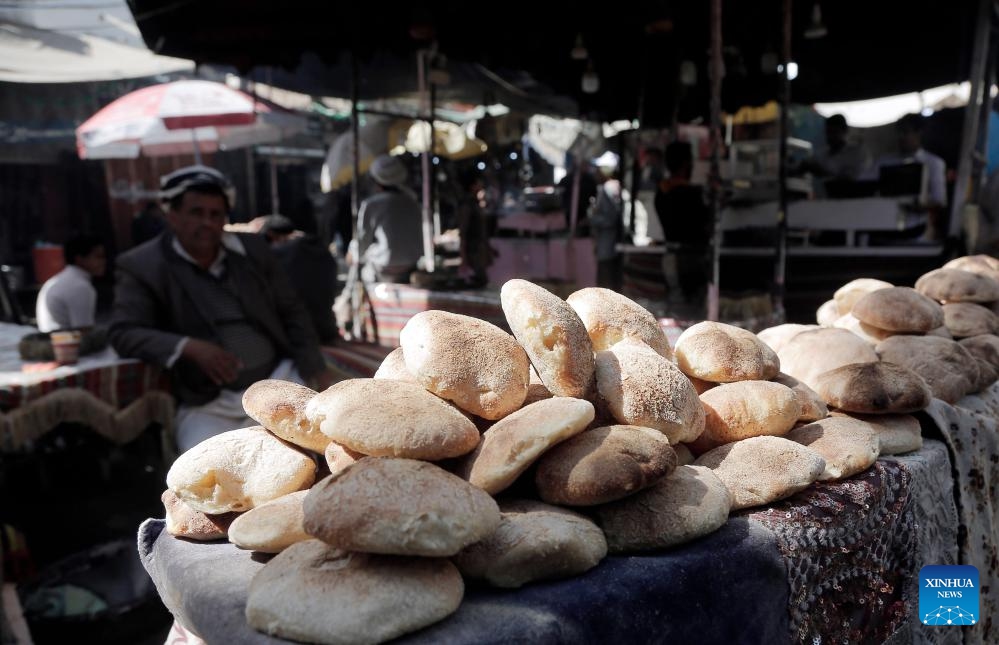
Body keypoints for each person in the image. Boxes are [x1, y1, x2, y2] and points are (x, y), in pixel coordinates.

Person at [108, 165, 334, 452]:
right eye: (196, 213)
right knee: (208, 472)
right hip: (208, 403)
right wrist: (188, 347)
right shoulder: (143, 265)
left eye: (216, 215)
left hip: (278, 380)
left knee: (318, 454)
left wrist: (317, 370)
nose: (207, 223)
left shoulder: (252, 250)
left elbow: (293, 311)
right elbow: (123, 332)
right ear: (172, 215)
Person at [259, 214, 340, 344]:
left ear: (271, 235)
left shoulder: (274, 255)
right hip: (326, 331)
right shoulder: (320, 248)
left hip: (295, 337)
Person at [354, 155, 424, 284]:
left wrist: (354, 255)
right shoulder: (412, 201)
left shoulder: (371, 204)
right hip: (411, 264)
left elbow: (362, 240)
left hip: (382, 267)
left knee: (356, 269)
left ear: (376, 181)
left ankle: (351, 300)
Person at [655, 141, 711, 305]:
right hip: (690, 260)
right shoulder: (691, 194)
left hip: (670, 256)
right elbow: (704, 222)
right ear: (686, 164)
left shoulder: (661, 192)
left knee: (674, 305)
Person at [871, 113, 946, 207]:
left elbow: (939, 200)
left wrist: (915, 205)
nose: (901, 137)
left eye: (905, 132)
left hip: (916, 220)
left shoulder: (933, 163)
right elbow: (866, 187)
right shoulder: (884, 162)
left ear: (919, 133)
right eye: (899, 132)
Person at [35, 235, 106, 332]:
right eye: (98, 257)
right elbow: (84, 331)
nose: (103, 262)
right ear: (80, 259)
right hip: (64, 343)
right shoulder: (80, 287)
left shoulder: (63, 279)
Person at [589, 152, 627, 291]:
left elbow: (611, 218)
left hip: (608, 244)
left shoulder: (608, 187)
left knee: (607, 285)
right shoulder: (612, 186)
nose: (596, 172)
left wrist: (592, 219)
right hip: (608, 244)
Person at [806, 114, 870, 181]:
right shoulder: (821, 155)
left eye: (834, 132)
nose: (830, 137)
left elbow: (852, 179)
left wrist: (826, 174)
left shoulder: (856, 154)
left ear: (844, 131)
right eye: (828, 132)